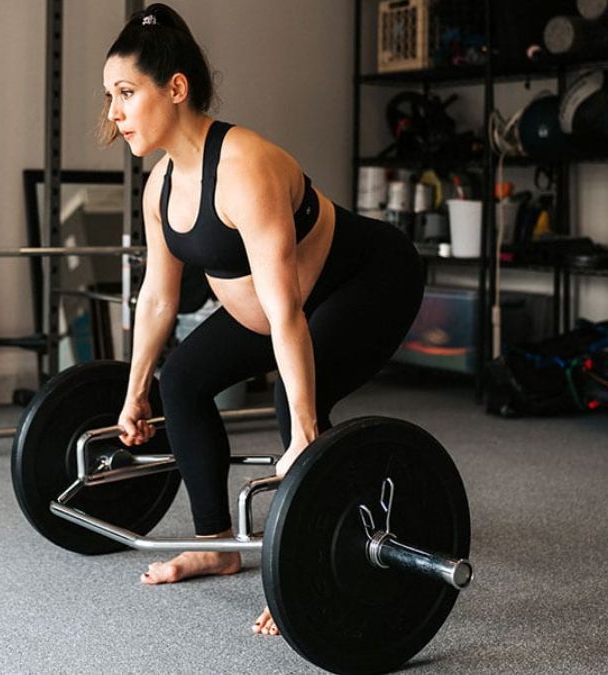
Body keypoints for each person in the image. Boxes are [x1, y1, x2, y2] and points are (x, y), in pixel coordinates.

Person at [104, 4, 425, 637]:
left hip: (368, 279)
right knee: (184, 380)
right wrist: (135, 389)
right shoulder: (160, 186)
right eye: (109, 96)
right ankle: (218, 545)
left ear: (175, 88)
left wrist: (304, 431)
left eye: (125, 93)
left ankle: (313, 564)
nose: (113, 112)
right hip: (286, 308)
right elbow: (159, 299)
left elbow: (285, 310)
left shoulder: (246, 167)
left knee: (295, 397)